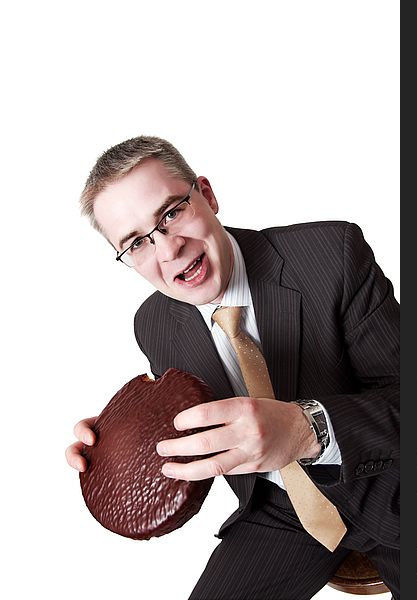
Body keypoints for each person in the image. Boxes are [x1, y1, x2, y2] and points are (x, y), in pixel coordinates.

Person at [66, 136, 400, 599]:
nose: (168, 249)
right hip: (281, 514)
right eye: (137, 242)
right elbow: (194, 440)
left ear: (207, 194)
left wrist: (308, 429)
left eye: (171, 213)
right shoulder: (154, 324)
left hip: (397, 487)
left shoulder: (333, 254)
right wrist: (119, 442)